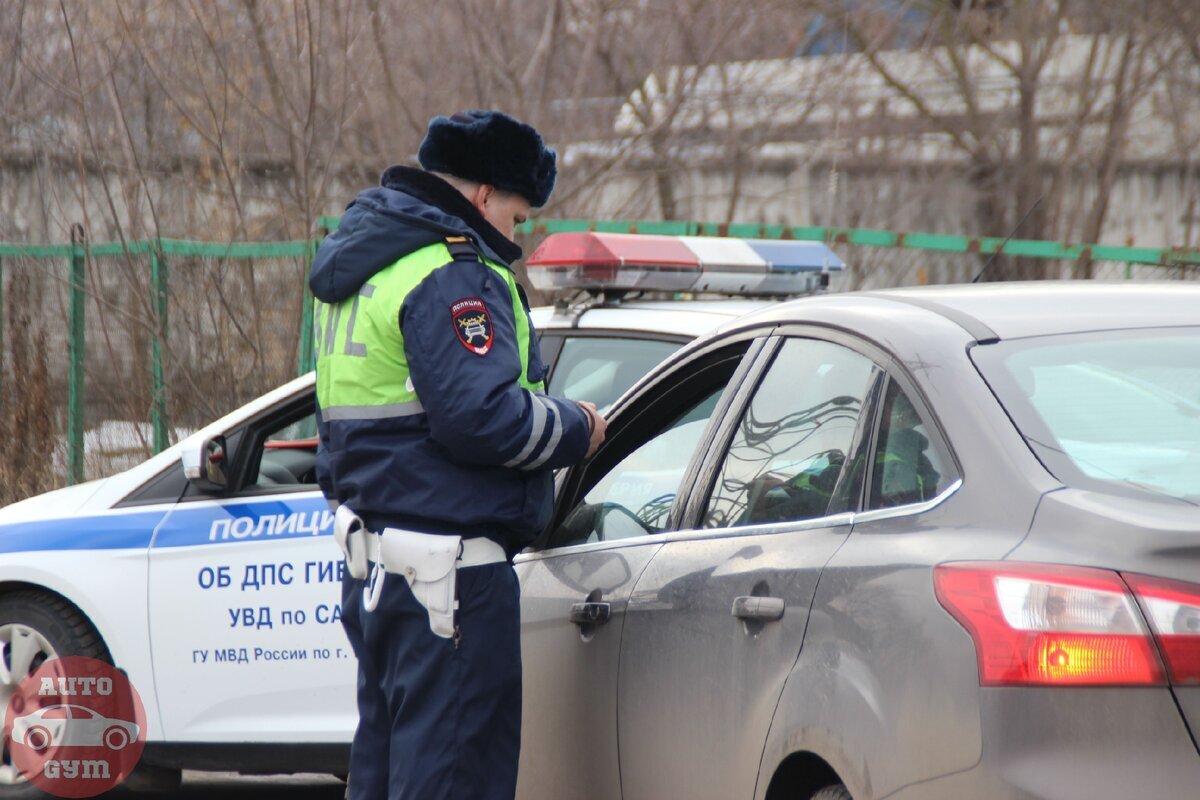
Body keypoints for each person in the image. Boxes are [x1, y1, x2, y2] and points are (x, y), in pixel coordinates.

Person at [310, 110, 606, 800]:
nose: (518, 234)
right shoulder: (451, 269)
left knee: (388, 777)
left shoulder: (364, 265)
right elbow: (484, 419)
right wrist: (577, 426)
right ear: (482, 196)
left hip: (380, 571)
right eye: (518, 213)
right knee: (453, 780)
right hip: (453, 584)